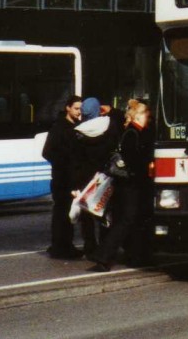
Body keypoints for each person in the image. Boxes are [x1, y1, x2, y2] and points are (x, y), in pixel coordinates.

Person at [89, 99, 155, 272]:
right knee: (126, 220)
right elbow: (134, 161)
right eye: (146, 114)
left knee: (130, 220)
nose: (149, 117)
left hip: (129, 184)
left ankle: (134, 256)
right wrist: (148, 166)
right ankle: (103, 256)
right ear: (138, 115)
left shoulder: (135, 131)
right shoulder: (133, 133)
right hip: (130, 185)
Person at [71, 98, 122, 257]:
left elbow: (76, 160)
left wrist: (76, 184)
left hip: (86, 177)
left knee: (87, 215)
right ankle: (105, 246)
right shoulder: (110, 125)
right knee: (105, 211)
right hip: (105, 176)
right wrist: (111, 110)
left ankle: (90, 245)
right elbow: (121, 119)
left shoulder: (78, 132)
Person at [42, 94, 83, 259]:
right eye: (76, 108)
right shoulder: (59, 127)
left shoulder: (77, 126)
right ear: (68, 107)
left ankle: (63, 245)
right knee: (62, 213)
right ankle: (61, 247)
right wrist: (64, 163)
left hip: (70, 178)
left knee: (66, 214)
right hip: (62, 178)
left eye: (80, 109)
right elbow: (47, 152)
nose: (78, 112)